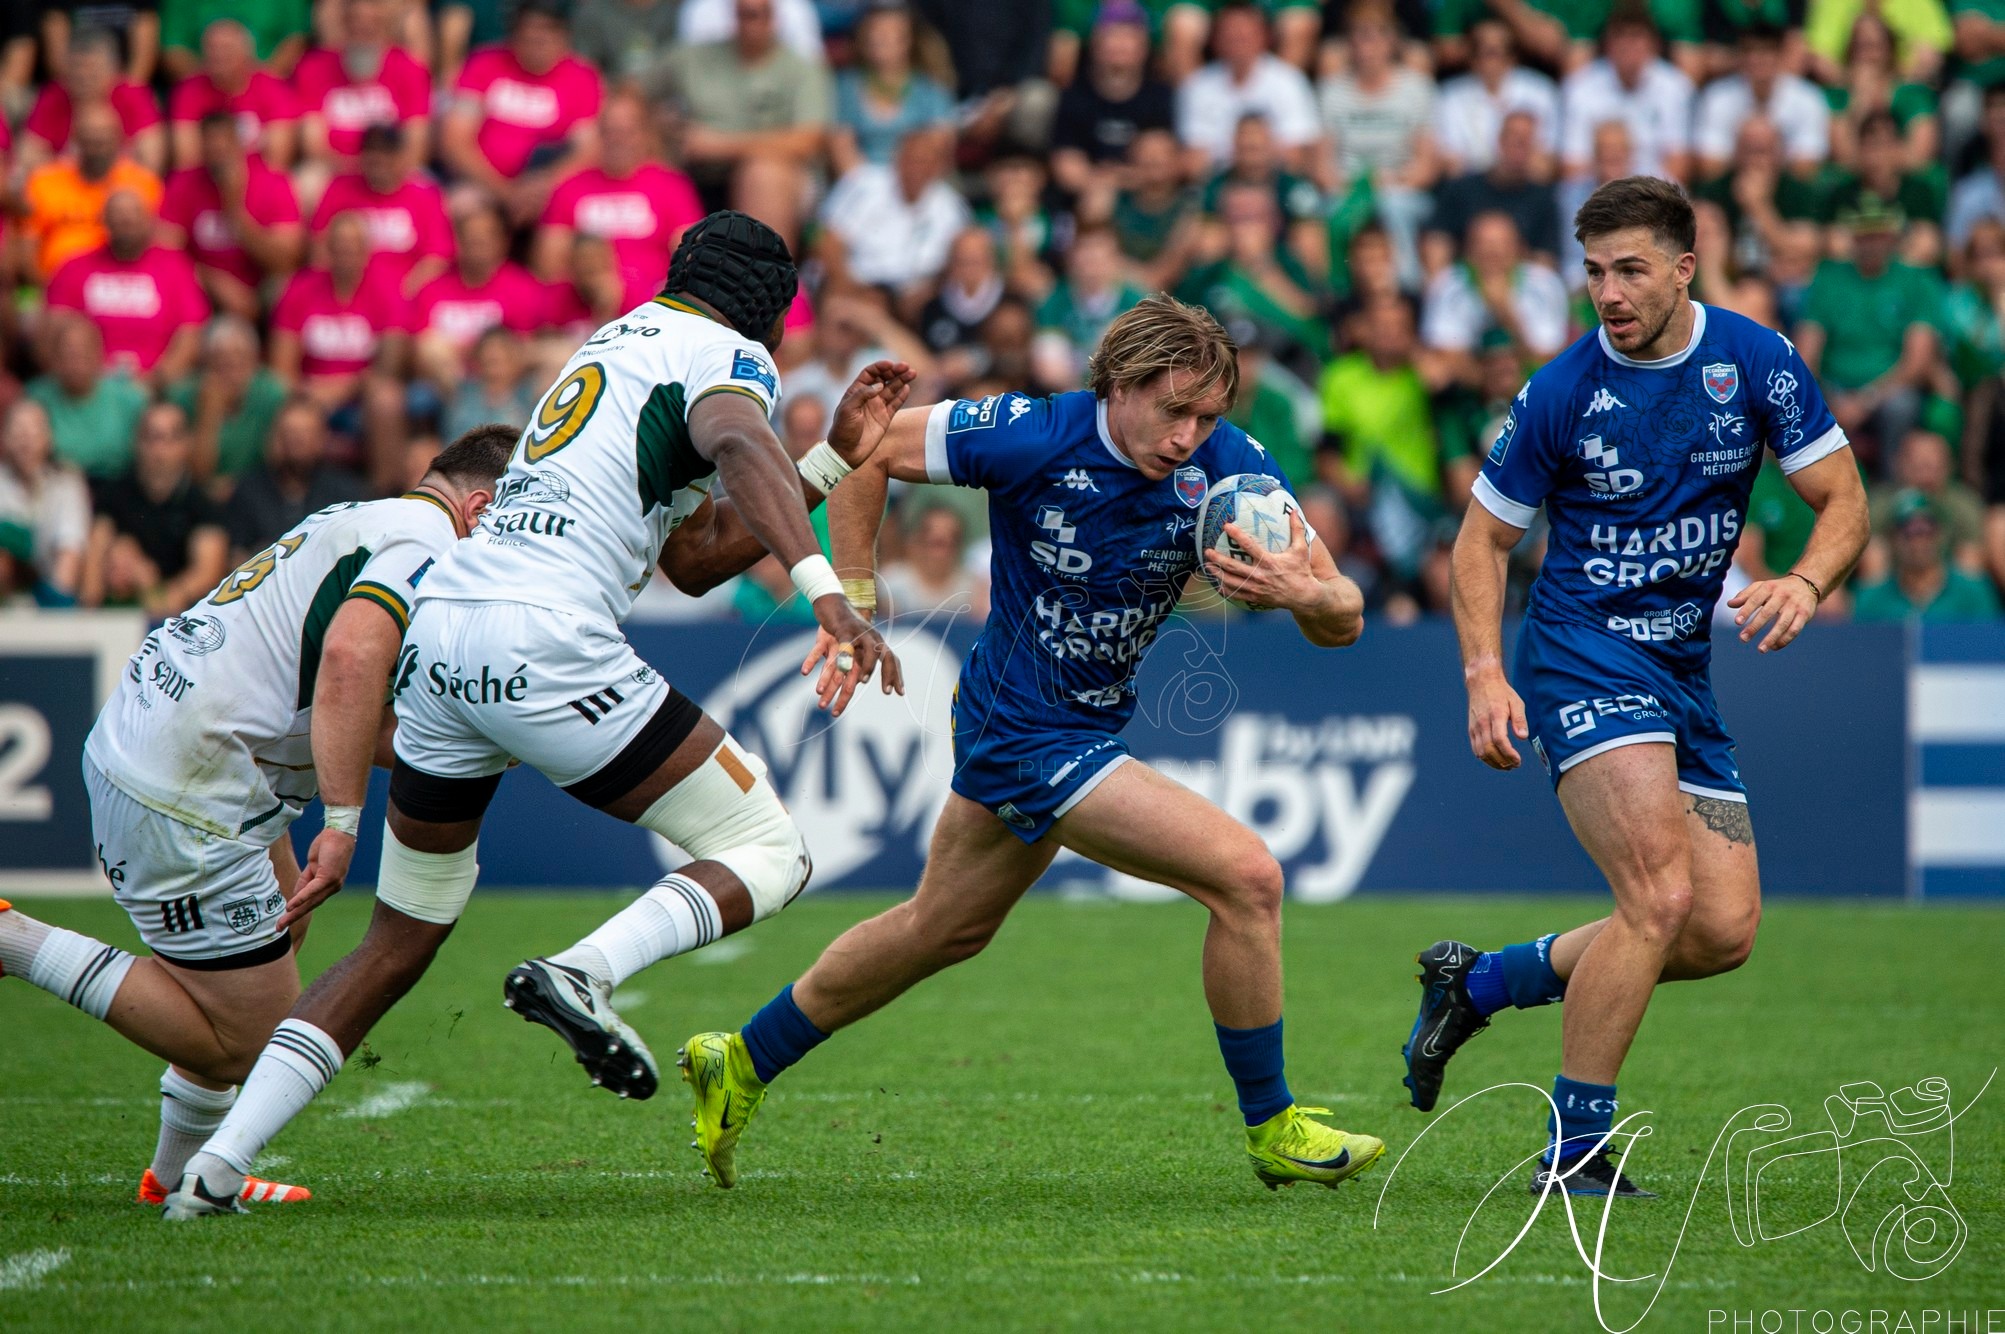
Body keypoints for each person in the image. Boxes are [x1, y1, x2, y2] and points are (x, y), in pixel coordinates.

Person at [162, 212, 909, 1218]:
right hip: (541, 636)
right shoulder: (727, 355)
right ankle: (581, 970)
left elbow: (690, 562)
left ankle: (214, 1165)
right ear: (771, 313)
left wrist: (824, 461)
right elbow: (735, 438)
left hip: (444, 636)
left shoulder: (606, 346)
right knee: (771, 850)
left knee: (400, 934)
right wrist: (825, 590)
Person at [675, 293, 1386, 1197]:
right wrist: (853, 586)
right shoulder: (1029, 433)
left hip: (1077, 725)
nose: (1189, 436)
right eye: (1173, 411)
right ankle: (1273, 1124)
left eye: (1208, 415)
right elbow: (871, 447)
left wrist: (1307, 597)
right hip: (1023, 732)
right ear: (1119, 386)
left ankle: (737, 1060)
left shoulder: (1232, 468)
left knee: (941, 929)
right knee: (1247, 878)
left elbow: (1346, 618)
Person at [1410, 177, 1870, 1197]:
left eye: (1628, 269)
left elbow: (1842, 497)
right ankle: (1571, 1154)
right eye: (1592, 272)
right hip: (1581, 655)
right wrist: (1485, 672)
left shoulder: (1754, 361)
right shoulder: (1561, 388)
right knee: (1656, 895)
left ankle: (1479, 980)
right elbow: (1481, 540)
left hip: (1681, 671)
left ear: (1681, 268)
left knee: (1716, 932)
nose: (1607, 293)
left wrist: (1803, 577)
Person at [0, 425, 511, 1212]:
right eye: (517, 520)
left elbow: (358, 713)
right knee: (250, 1044)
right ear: (478, 507)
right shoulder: (428, 549)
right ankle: (14, 943)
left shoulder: (361, 517)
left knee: (280, 933)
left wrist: (499, 734)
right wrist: (342, 823)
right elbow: (348, 664)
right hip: (188, 784)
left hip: (177, 746)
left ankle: (171, 1176)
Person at [532, 91, 705, 311]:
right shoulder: (570, 188)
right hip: (583, 309)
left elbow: (689, 258)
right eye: (610, 131)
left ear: (645, 134)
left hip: (652, 307)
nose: (617, 140)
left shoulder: (672, 186)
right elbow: (548, 268)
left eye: (626, 132)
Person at [441, 0, 604, 222]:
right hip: (484, 185)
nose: (537, 40)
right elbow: (455, 139)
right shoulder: (484, 64)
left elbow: (587, 150)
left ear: (564, 36)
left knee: (574, 214)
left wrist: (544, 183)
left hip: (546, 189)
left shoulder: (582, 77)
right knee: (457, 206)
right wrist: (505, 192)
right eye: (528, 31)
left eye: (547, 31)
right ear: (514, 33)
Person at [44, 188, 210, 389]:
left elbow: (190, 334)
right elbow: (53, 332)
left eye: (133, 215)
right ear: (104, 221)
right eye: (119, 215)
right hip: (88, 385)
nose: (127, 222)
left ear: (149, 220)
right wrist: (88, 381)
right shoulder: (75, 267)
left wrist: (156, 381)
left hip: (157, 383)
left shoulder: (176, 266)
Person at [80, 402, 231, 617]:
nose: (159, 451)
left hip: (181, 619)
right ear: (137, 442)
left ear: (186, 444)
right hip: (117, 612)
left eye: (169, 439)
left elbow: (208, 572)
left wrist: (154, 589)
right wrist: (90, 610)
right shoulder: (113, 496)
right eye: (151, 438)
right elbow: (94, 558)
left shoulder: (202, 504)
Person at [158, 111, 304, 320]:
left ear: (239, 144)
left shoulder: (273, 183)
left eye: (224, 144)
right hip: (204, 290)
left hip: (260, 290)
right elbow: (165, 253)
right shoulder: (184, 183)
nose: (218, 151)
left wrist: (235, 211)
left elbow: (286, 261)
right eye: (210, 144)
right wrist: (211, 280)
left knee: (284, 286)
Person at [19, 101, 164, 283]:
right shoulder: (43, 182)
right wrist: (56, 292)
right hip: (53, 285)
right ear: (75, 139)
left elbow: (156, 247)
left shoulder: (143, 185)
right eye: (89, 139)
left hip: (121, 287)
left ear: (120, 139)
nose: (96, 148)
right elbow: (25, 250)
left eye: (103, 139)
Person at [1175, 3, 1320, 174]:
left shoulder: (1289, 80)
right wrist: (1252, 153)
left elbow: (1296, 155)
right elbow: (1194, 162)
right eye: (1231, 35)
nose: (1238, 40)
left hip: (1274, 184)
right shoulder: (1197, 86)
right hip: (1219, 185)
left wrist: (1241, 155)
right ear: (1215, 40)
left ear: (1264, 37)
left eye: (1245, 35)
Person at [224, 397, 371, 556]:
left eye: (305, 433)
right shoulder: (249, 491)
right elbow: (237, 555)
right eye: (289, 432)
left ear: (323, 437)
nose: (296, 440)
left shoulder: (347, 494)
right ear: (275, 438)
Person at [830, 0, 955, 175]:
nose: (878, 38)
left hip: (917, 186)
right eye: (874, 31)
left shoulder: (931, 91)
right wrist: (872, 188)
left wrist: (905, 188)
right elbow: (841, 147)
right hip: (862, 187)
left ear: (907, 39)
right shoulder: (845, 87)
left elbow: (939, 149)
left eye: (888, 33)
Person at [168, 19, 300, 169]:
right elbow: (186, 160)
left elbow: (278, 159)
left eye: (226, 48)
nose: (218, 55)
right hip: (206, 180)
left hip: (259, 179)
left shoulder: (273, 88)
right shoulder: (189, 91)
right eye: (212, 48)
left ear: (247, 53)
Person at [1852, 489, 2003, 619]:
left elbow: (1987, 647)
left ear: (1941, 536)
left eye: (1926, 531)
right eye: (1908, 533)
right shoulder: (1870, 598)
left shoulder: (1974, 593)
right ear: (1893, 539)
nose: (1918, 542)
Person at [0, 399, 93, 603]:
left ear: (49, 438)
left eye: (34, 432)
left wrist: (53, 607)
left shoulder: (68, 483)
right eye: (18, 431)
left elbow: (70, 551)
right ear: (4, 437)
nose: (26, 441)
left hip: (51, 600)